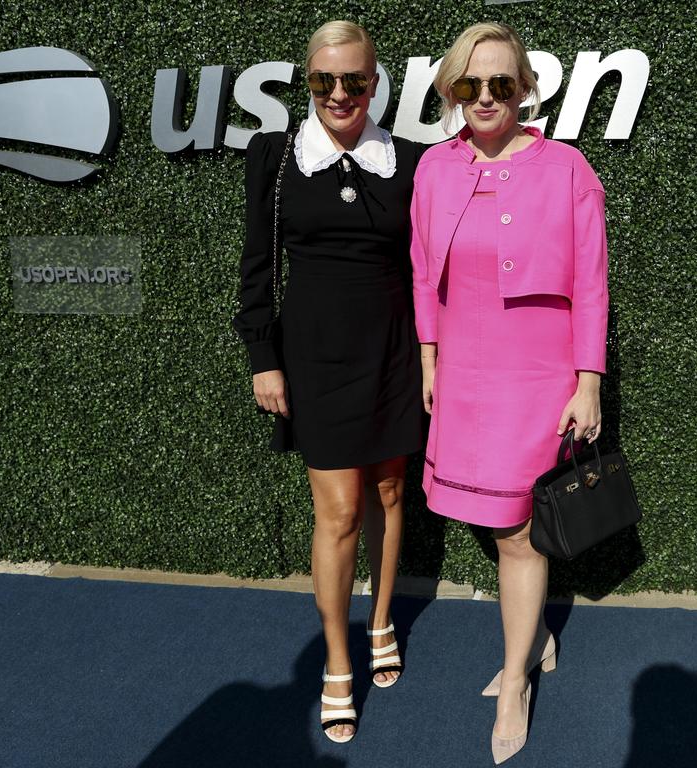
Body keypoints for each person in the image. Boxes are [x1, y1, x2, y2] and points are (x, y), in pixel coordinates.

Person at [410, 22, 608, 764]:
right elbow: (420, 268)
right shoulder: (434, 169)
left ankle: (518, 678)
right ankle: (538, 634)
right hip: (464, 371)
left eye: (500, 83)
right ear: (452, 91)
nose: (485, 96)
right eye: (470, 84)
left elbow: (591, 283)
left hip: (539, 376)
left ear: (523, 88)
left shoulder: (567, 168)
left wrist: (588, 382)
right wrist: (429, 356)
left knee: (522, 531)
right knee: (497, 526)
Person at [233, 20, 423, 744]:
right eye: (324, 81)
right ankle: (337, 662)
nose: (340, 93)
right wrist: (262, 355)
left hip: (394, 350)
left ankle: (381, 622)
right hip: (313, 355)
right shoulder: (275, 157)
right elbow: (256, 267)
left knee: (389, 490)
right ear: (307, 83)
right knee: (338, 509)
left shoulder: (409, 159)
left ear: (376, 83)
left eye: (354, 80)